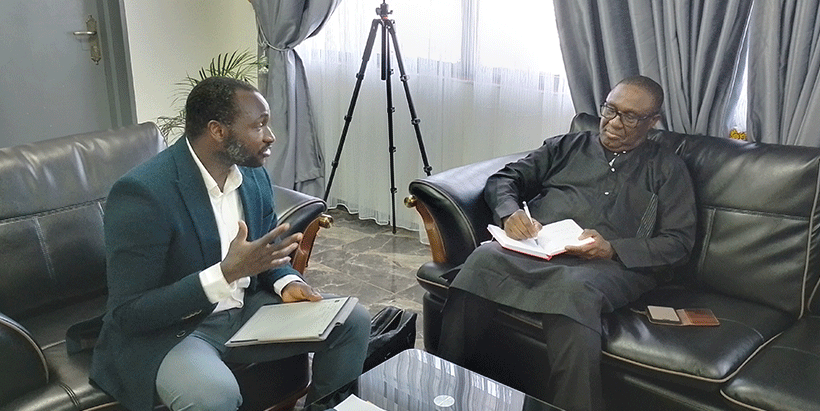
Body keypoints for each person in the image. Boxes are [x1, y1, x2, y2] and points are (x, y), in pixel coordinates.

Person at [90, 76, 370, 411]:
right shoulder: (143, 193)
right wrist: (225, 274)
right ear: (218, 131)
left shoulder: (251, 173)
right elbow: (128, 313)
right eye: (259, 125)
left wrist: (287, 282)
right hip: (177, 331)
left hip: (246, 311)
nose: (270, 136)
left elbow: (265, 251)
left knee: (351, 319)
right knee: (213, 395)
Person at [437, 76, 697, 411]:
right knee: (482, 260)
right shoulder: (566, 147)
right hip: (538, 250)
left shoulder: (668, 169)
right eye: (610, 110)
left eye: (630, 117)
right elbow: (505, 179)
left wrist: (612, 248)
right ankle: (443, 390)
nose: (613, 123)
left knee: (574, 291)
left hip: (608, 265)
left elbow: (679, 243)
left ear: (653, 121)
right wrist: (510, 213)